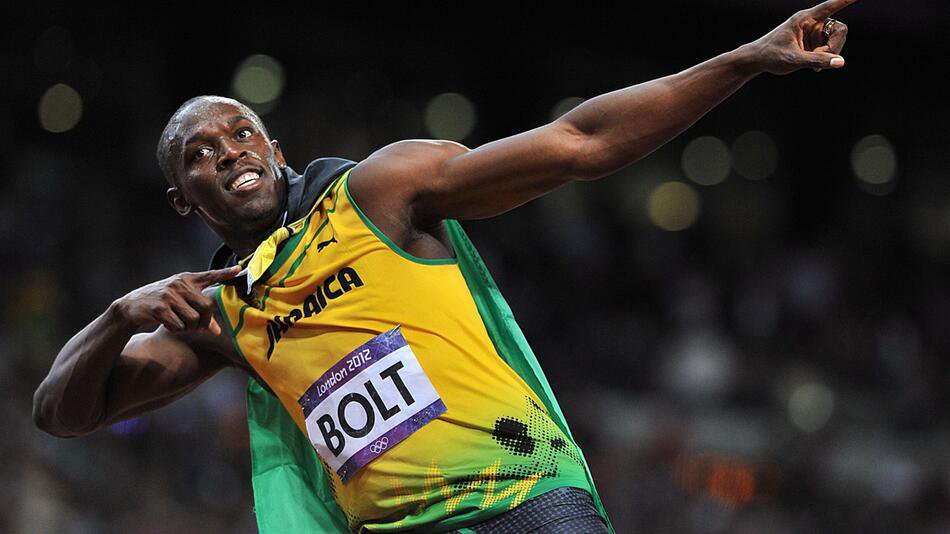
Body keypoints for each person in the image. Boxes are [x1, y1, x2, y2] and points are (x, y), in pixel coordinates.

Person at [33, 2, 854, 532]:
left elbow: (579, 143)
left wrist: (747, 58)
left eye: (242, 132)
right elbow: (62, 412)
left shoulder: (377, 192)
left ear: (276, 151)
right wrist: (117, 317)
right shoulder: (222, 311)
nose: (228, 152)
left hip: (522, 501)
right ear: (183, 199)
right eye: (199, 153)